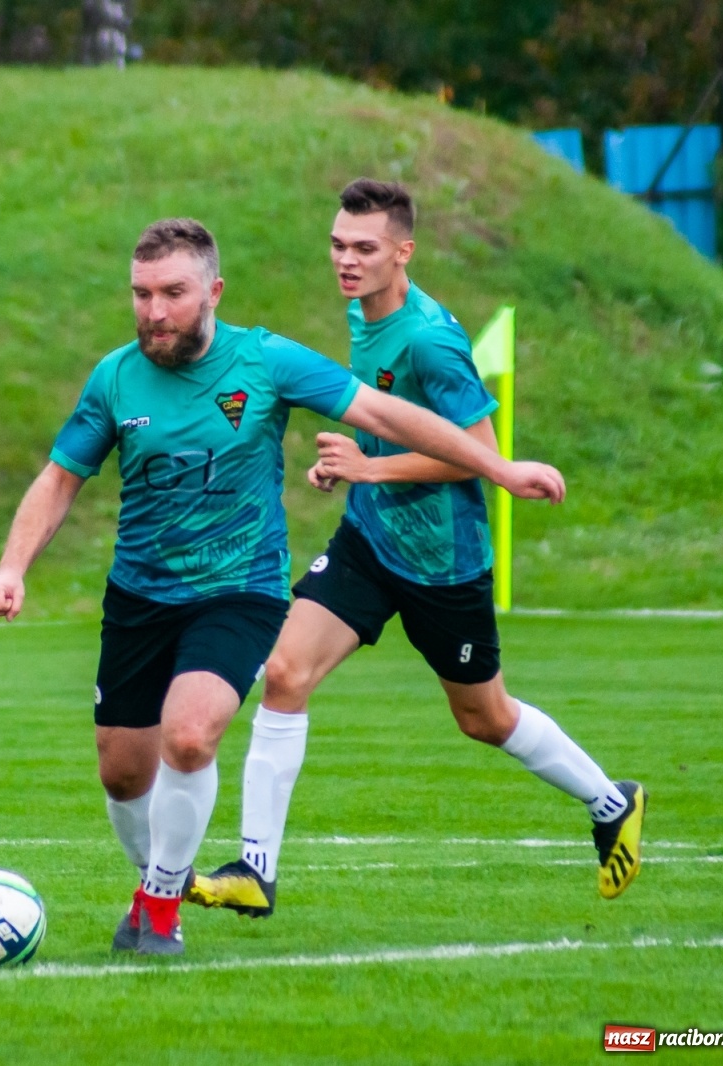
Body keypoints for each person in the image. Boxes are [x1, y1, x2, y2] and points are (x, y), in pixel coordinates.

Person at [0, 219, 565, 956]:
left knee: (190, 738)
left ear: (213, 292)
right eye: (140, 294)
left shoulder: (264, 361)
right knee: (124, 772)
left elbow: (386, 413)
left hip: (239, 593)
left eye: (172, 293)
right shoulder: (116, 377)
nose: (153, 311)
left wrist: (500, 469)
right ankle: (157, 881)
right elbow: (61, 476)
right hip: (139, 597)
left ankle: (160, 905)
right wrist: (12, 566)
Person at [189, 180, 644, 922]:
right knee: (285, 670)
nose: (346, 259)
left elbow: (476, 455)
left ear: (404, 251)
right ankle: (255, 869)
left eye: (364, 248)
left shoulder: (430, 337)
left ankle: (609, 801)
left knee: (484, 718)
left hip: (443, 561)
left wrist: (369, 465)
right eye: (338, 244)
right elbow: (382, 418)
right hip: (371, 538)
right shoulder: (360, 311)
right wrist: (350, 461)